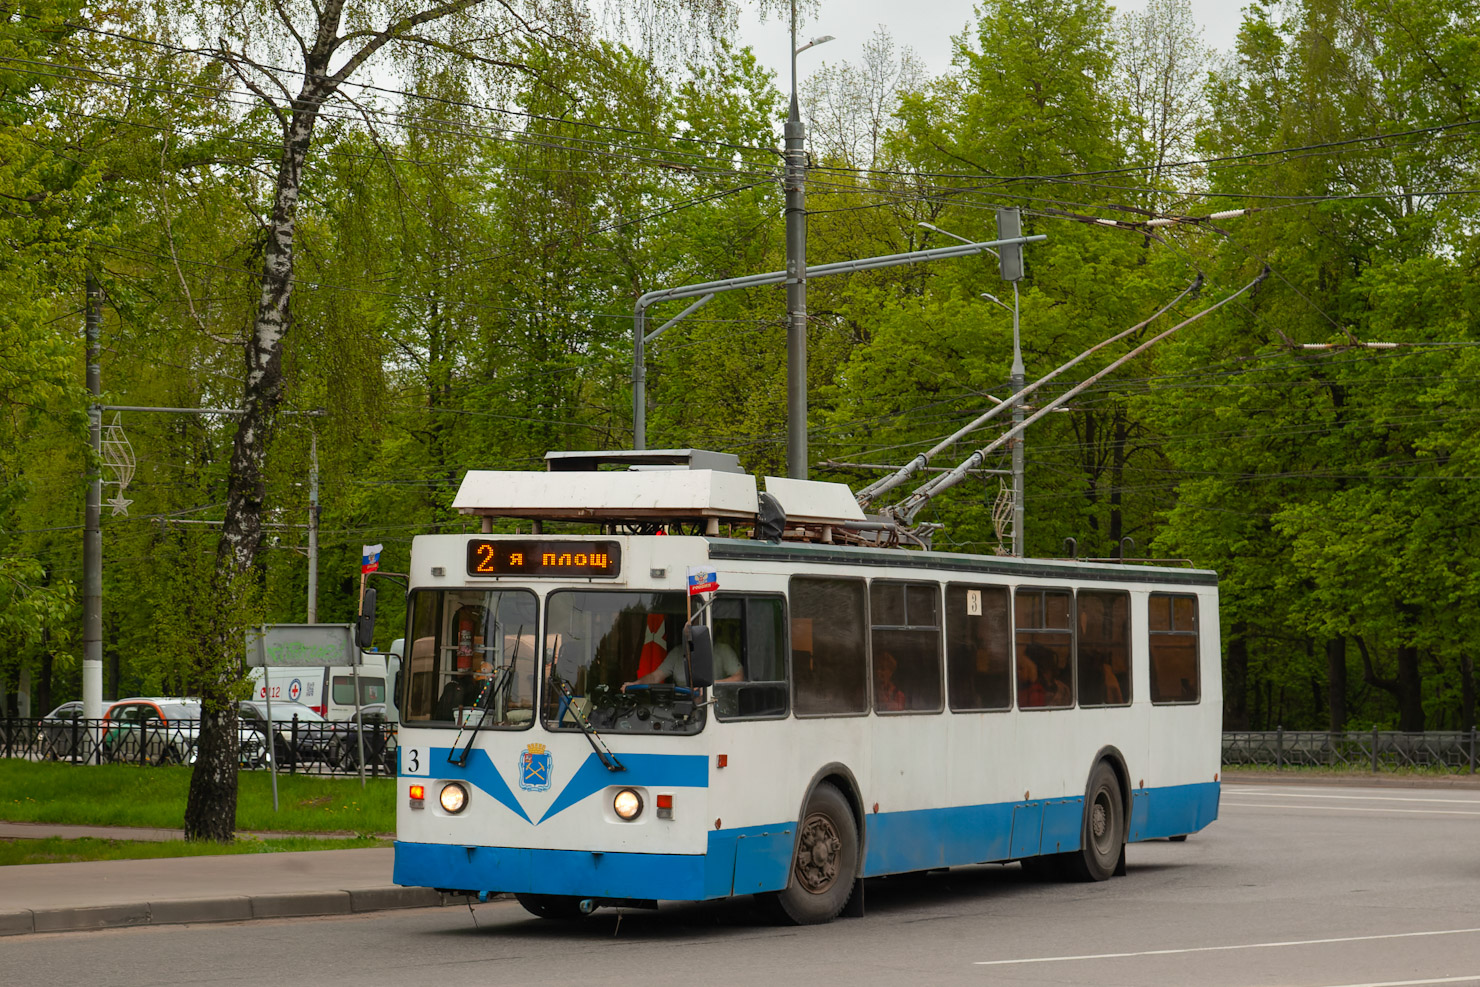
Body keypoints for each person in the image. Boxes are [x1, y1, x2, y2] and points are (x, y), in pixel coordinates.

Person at [622, 639, 743, 690]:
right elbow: (655, 677)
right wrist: (635, 684)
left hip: (716, 712)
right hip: (684, 710)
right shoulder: (677, 652)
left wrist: (710, 687)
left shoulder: (722, 650)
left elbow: (739, 677)